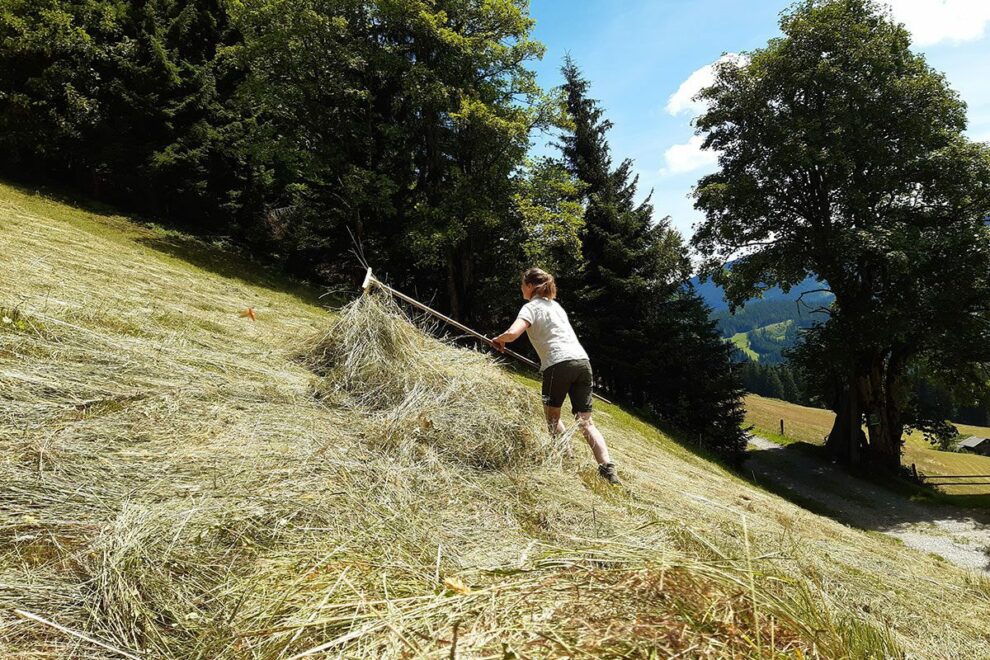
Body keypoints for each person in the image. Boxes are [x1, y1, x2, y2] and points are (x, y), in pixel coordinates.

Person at [492, 268, 619, 484]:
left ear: (530, 286)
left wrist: (499, 339)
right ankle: (607, 469)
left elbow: (513, 333)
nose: (521, 288)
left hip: (558, 365)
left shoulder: (530, 307)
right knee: (586, 422)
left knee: (552, 418)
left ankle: (566, 460)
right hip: (582, 362)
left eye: (523, 284)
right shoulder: (556, 306)